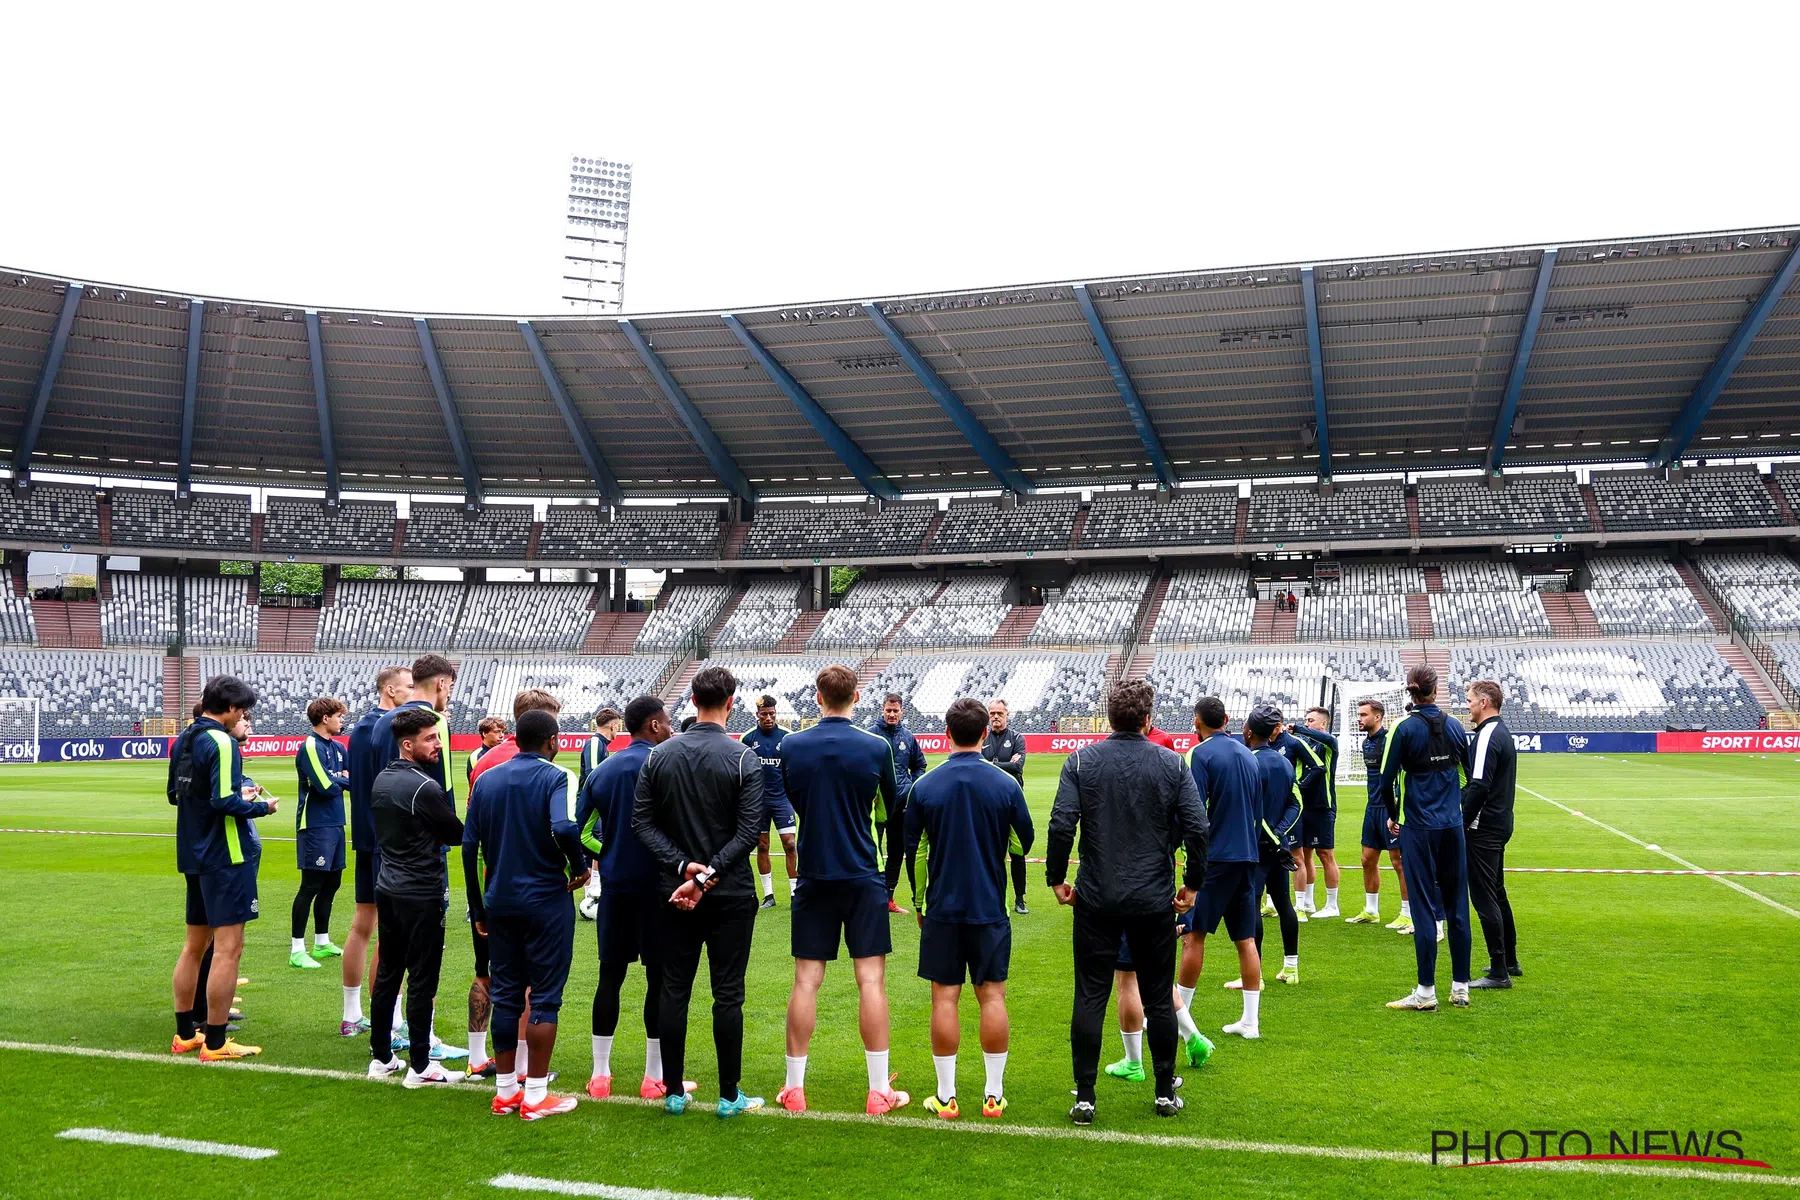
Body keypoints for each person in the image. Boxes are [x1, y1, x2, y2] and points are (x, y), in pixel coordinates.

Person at [1046, 680, 1208, 1124]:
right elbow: (1197, 828)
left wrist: (1057, 878)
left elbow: (1062, 825)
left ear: (1110, 718)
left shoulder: (1081, 761)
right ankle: (1162, 1092)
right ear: (1147, 719)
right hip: (1151, 897)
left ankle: (1085, 1096)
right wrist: (1191, 884)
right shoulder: (1172, 765)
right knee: (1158, 997)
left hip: (1097, 896)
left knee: (1090, 996)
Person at [630, 666, 766, 1118]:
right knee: (728, 993)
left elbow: (641, 824)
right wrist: (706, 876)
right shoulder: (743, 757)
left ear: (691, 699)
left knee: (674, 989)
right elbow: (749, 832)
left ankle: (673, 1091)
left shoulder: (659, 755)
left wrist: (684, 868)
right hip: (726, 894)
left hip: (676, 891)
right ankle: (729, 1095)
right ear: (731, 703)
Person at [776, 664, 908, 1116]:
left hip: (813, 873)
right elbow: (892, 807)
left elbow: (794, 799)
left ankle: (795, 1088)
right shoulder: (876, 747)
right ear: (857, 697)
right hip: (861, 873)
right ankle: (877, 1090)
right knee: (870, 980)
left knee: (806, 982)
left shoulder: (792, 745)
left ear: (817, 697)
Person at [903, 697, 1034, 1121]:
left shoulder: (925, 786)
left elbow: (915, 851)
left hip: (942, 906)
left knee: (944, 998)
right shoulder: (1005, 784)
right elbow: (1024, 841)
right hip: (989, 906)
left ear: (945, 735)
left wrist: (919, 900)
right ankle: (993, 1095)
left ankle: (947, 1097)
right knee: (992, 995)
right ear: (984, 734)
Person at [463, 709, 590, 1119]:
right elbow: (567, 828)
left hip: (499, 900)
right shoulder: (557, 777)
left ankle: (504, 1092)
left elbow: (468, 848)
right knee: (545, 998)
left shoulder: (486, 779)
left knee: (506, 995)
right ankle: (535, 1095)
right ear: (552, 741)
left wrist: (478, 904)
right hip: (545, 900)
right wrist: (580, 866)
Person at [576, 694, 694, 1100]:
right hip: (661, 889)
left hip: (617, 888)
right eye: (669, 722)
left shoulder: (603, 771)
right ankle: (653, 1077)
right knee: (659, 981)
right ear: (655, 726)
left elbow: (584, 830)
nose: (673, 729)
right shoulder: (670, 765)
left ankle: (600, 1075)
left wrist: (606, 856)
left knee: (610, 977)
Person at [465, 687, 566, 1074]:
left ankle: (479, 1057)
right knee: (532, 986)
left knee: (485, 973)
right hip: (535, 890)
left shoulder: (485, 762)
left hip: (492, 889)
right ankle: (525, 1069)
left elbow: (472, 836)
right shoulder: (549, 770)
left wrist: (477, 902)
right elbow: (562, 828)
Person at [169, 676, 270, 1061]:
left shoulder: (184, 738)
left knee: (195, 946)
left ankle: (185, 1035)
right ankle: (214, 1042)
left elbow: (174, 795)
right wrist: (261, 806)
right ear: (230, 709)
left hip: (193, 852)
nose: (243, 716)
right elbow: (226, 801)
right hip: (226, 855)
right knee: (229, 949)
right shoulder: (223, 741)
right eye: (242, 710)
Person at [371, 654, 462, 1062]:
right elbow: (456, 834)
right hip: (421, 889)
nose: (438, 745)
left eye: (437, 738)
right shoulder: (424, 787)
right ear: (409, 744)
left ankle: (381, 1057)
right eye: (431, 739)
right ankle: (422, 1064)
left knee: (389, 973)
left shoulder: (384, 778)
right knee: (423, 978)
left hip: (388, 885)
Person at [1378, 665, 1474, 1011]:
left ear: (1411, 692)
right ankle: (1460, 987)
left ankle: (1425, 992)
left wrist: (1393, 814)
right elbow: (1470, 775)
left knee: (1423, 910)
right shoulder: (1454, 725)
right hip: (1451, 826)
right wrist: (1455, 805)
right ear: (1436, 690)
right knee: (1457, 906)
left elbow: (1385, 779)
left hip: (1418, 827)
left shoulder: (1402, 728)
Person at [1174, 696, 1263, 1050]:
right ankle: (1250, 1021)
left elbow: (1193, 811)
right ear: (1226, 719)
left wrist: (1187, 856)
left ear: (1197, 723)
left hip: (1216, 857)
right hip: (1247, 855)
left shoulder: (1200, 755)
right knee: (1245, 939)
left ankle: (1180, 1016)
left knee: (1193, 936)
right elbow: (1257, 809)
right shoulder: (1248, 754)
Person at [342, 663, 411, 1039]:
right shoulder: (390, 730)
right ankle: (392, 1020)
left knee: (362, 923)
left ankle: (352, 1014)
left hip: (366, 837)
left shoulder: (360, 729)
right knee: (391, 932)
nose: (413, 692)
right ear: (390, 691)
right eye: (408, 687)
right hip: (388, 840)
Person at [1462, 680, 1520, 989]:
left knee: (1484, 897)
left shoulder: (1486, 735)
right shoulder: (1502, 732)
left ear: (1484, 702)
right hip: (1500, 822)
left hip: (1483, 828)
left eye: (1470, 700)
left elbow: (1479, 785)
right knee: (1497, 892)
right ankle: (1509, 960)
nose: (1467, 705)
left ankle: (1499, 972)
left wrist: (1461, 822)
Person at [1242, 705, 1302, 1002]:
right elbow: (1296, 804)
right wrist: (1280, 837)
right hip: (1280, 848)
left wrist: (1270, 837)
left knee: (1253, 906)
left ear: (1250, 731)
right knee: (1284, 904)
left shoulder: (1247, 762)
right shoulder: (1285, 763)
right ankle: (1291, 968)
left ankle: (1256, 975)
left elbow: (1252, 811)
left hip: (1255, 848)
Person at [1343, 698, 1413, 931]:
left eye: (1364, 715)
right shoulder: (1366, 743)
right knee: (1367, 859)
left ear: (1378, 717)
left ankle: (1407, 913)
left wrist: (1396, 806)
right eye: (1359, 714)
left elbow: (1401, 774)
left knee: (1398, 862)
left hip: (1389, 808)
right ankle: (1371, 910)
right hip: (1371, 808)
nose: (1359, 719)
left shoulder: (1389, 741)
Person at [290, 696, 349, 971]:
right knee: (310, 886)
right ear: (325, 718)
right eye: (339, 716)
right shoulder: (310, 746)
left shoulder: (338, 748)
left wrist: (338, 779)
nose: (342, 721)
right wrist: (340, 780)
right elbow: (326, 787)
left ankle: (322, 942)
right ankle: (297, 949)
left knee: (331, 884)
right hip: (315, 824)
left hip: (336, 822)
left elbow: (348, 779)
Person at [870, 692, 928, 914]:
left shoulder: (908, 737)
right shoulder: (872, 736)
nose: (892, 714)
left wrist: (911, 787)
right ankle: (871, 898)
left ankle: (888, 899)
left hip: (902, 806)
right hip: (877, 805)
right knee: (871, 852)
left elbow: (920, 765)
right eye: (888, 710)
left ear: (901, 711)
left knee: (896, 852)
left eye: (896, 710)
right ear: (882, 710)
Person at [740, 695, 799, 909]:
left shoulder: (788, 737)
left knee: (790, 844)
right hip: (758, 801)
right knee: (762, 845)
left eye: (772, 714)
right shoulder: (747, 739)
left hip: (783, 799)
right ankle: (769, 895)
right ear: (757, 715)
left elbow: (797, 768)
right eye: (764, 714)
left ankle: (794, 893)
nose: (768, 718)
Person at [1288, 707, 1342, 918]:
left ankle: (1332, 905)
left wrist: (1299, 729)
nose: (1307, 723)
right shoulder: (1304, 745)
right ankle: (1308, 902)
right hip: (1304, 806)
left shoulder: (1329, 743)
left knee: (1325, 854)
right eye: (1305, 720)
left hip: (1323, 806)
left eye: (1311, 720)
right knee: (1305, 853)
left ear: (1323, 724)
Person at [1270, 719, 1324, 924]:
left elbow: (1319, 767)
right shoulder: (1261, 742)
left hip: (1290, 809)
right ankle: (1270, 902)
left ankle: (1300, 906)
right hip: (1268, 807)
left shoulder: (1293, 743)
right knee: (1267, 853)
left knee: (1296, 856)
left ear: (1280, 725)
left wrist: (1299, 786)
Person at [981, 699, 1030, 914]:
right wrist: (1006, 765)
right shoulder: (983, 738)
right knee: (991, 851)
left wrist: (991, 765)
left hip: (1012, 803)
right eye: (992, 713)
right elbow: (978, 765)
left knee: (1017, 852)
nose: (995, 717)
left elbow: (1018, 766)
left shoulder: (1017, 738)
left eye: (999, 713)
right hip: (987, 804)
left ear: (1007, 714)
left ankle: (1020, 899)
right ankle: (993, 897)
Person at [581, 708, 622, 787]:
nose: (618, 729)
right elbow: (592, 776)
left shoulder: (600, 743)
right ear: (612, 726)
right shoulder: (595, 742)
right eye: (617, 726)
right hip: (590, 798)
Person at [467, 717, 506, 786]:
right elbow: (477, 784)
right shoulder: (476, 757)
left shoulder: (507, 753)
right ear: (485, 734)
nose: (501, 735)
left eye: (503, 732)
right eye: (497, 732)